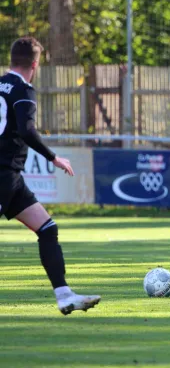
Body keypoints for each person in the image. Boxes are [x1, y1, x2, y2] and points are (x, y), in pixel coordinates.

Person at [0, 37, 100, 315]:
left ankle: (64, 295)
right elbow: (26, 129)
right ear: (35, 64)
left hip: (12, 179)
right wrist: (53, 157)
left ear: (11, 59)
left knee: (47, 229)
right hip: (3, 173)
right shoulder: (23, 89)